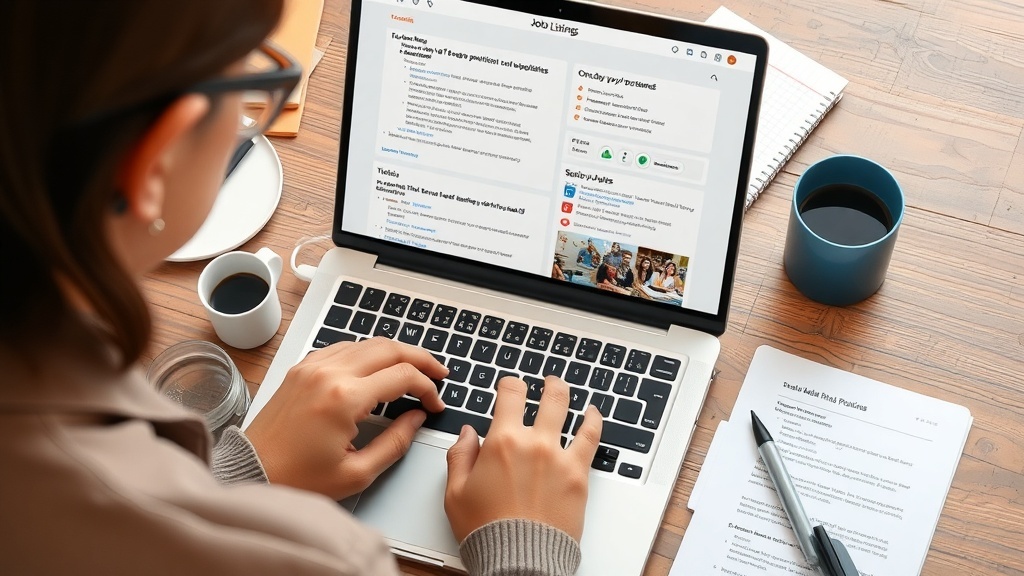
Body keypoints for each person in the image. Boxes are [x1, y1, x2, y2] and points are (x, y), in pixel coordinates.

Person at [0, 2, 603, 574]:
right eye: (246, 87)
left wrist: (240, 478)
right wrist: (525, 551)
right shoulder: (318, 558)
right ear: (156, 160)